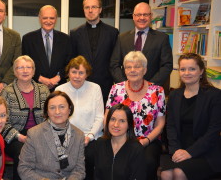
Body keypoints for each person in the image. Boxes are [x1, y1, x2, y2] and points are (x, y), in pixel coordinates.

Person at [106, 51, 166, 180]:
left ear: (145, 70)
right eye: (128, 67)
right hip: (119, 139)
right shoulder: (116, 89)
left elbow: (160, 124)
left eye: (137, 66)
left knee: (148, 162)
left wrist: (146, 141)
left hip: (148, 141)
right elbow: (107, 118)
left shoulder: (157, 91)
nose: (132, 70)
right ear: (124, 70)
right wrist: (118, 138)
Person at [160, 53, 221, 180]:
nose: (187, 73)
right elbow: (170, 127)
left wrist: (190, 152)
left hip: (205, 151)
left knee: (178, 172)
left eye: (192, 69)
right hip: (178, 147)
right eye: (183, 69)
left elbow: (214, 131)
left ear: (201, 71)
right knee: (165, 174)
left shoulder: (214, 96)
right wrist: (176, 150)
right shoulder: (174, 95)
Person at [1, 55, 50, 180]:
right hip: (15, 136)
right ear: (15, 71)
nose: (25, 70)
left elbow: (50, 117)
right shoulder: (7, 91)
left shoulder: (44, 90)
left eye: (29, 67)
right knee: (23, 153)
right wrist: (20, 137)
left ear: (33, 71)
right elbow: (2, 121)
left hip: (41, 133)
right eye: (20, 67)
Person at [55, 55, 103, 179]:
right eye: (74, 72)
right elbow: (55, 117)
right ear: (68, 73)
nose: (77, 76)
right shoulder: (60, 89)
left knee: (90, 159)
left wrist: (90, 136)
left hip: (90, 137)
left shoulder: (95, 88)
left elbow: (99, 117)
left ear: (86, 74)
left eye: (81, 72)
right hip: (65, 137)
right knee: (63, 162)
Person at [18, 91, 85, 180]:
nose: (57, 112)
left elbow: (79, 170)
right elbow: (24, 168)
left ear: (69, 109)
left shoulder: (79, 135)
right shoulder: (34, 134)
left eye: (62, 107)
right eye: (52, 108)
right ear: (47, 112)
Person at [110, 2, 172, 88]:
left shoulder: (162, 38)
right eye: (138, 15)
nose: (142, 18)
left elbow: (167, 65)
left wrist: (151, 85)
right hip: (126, 90)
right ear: (133, 16)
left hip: (151, 90)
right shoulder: (122, 38)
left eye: (145, 14)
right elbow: (114, 64)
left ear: (151, 16)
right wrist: (124, 84)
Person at [70, 0, 119, 103]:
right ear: (83, 10)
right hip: (81, 85)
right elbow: (72, 61)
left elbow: (115, 61)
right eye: (87, 7)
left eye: (94, 7)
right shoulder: (75, 33)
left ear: (100, 9)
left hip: (105, 87)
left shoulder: (112, 33)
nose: (90, 10)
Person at [22, 5, 72, 91]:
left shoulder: (66, 39)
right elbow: (26, 63)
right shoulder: (28, 39)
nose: (48, 21)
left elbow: (69, 63)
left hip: (60, 87)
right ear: (39, 18)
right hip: (35, 87)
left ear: (56, 19)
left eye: (52, 18)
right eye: (45, 18)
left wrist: (57, 78)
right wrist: (41, 79)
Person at [94, 103, 146, 180]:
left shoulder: (137, 149)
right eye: (113, 119)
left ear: (129, 125)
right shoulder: (100, 143)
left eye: (122, 121)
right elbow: (97, 175)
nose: (116, 125)